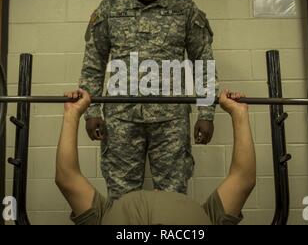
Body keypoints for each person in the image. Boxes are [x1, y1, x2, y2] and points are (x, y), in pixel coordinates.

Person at [79, 0, 218, 200]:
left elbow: (203, 62)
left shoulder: (183, 7)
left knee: (173, 197)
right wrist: (92, 110)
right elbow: (93, 63)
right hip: (121, 119)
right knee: (122, 197)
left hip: (170, 122)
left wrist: (206, 112)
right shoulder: (111, 7)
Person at [55, 89, 255, 225]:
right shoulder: (208, 219)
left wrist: (71, 115)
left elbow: (67, 178)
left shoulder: (104, 216)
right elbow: (243, 179)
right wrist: (240, 115)